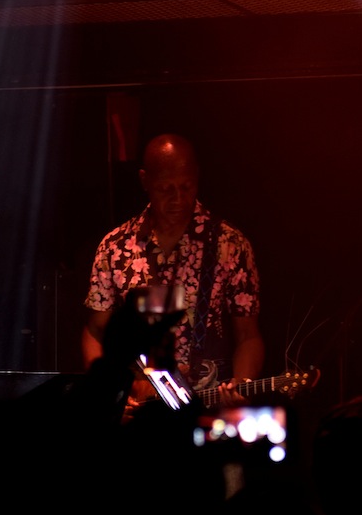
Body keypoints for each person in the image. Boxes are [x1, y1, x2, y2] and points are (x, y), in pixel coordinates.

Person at [82, 133, 263, 407]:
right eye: (166, 189)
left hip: (206, 408)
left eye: (187, 187)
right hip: (138, 410)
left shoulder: (229, 245)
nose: (179, 199)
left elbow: (248, 335)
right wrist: (108, 392)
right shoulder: (115, 247)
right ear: (145, 181)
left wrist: (241, 384)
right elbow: (95, 332)